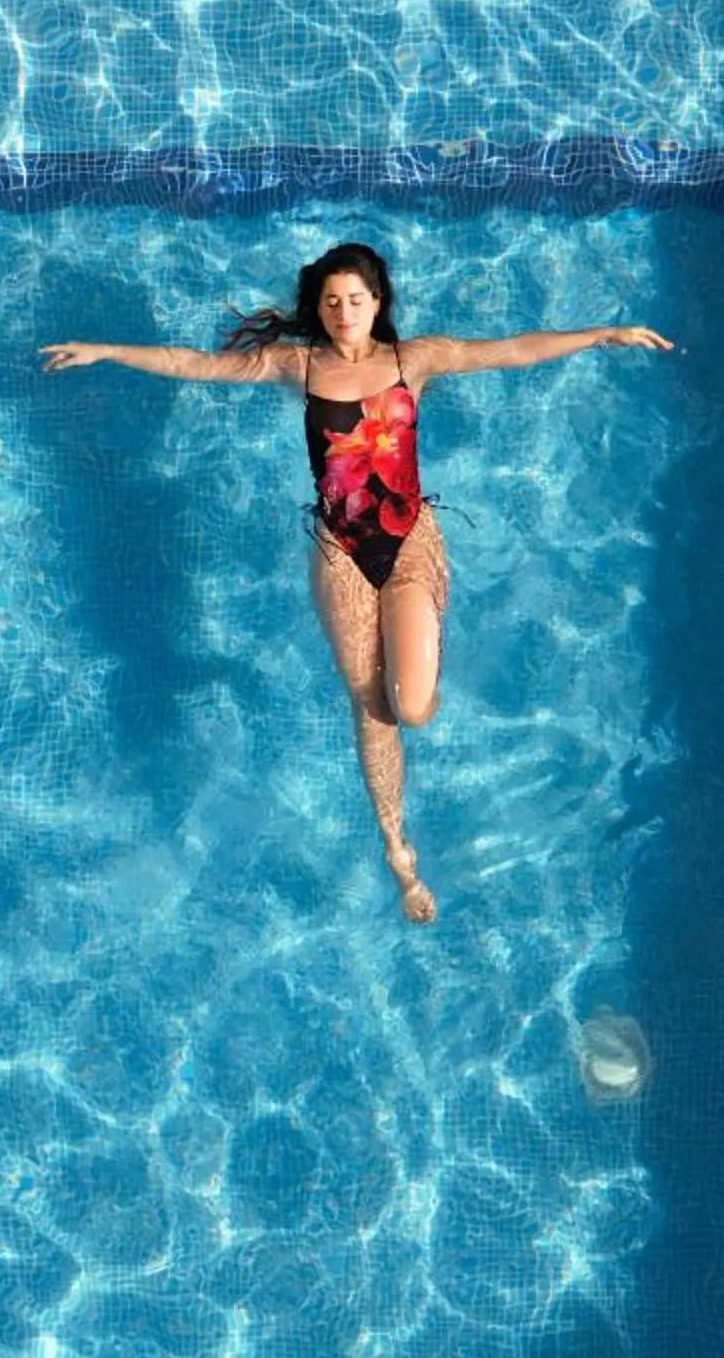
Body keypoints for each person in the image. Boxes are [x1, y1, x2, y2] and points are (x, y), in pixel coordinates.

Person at [42, 242, 672, 923]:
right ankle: (398, 850)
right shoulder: (297, 365)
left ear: (379, 302)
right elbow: (196, 366)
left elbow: (513, 349)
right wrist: (108, 351)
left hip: (409, 542)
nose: (344, 312)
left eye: (356, 299)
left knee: (415, 706)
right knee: (371, 703)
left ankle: (414, 690)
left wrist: (602, 334)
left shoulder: (414, 360)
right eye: (331, 301)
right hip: (340, 551)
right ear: (318, 306)